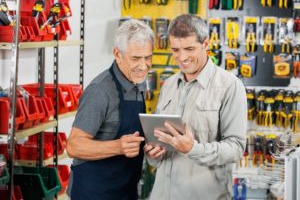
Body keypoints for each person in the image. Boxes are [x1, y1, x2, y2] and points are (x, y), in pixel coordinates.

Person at [144, 14, 247, 200]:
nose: (182, 57)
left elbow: (236, 148)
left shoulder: (229, 86)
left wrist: (192, 148)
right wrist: (152, 152)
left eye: (189, 49)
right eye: (175, 50)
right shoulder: (168, 85)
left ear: (206, 44)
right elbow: (158, 146)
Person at [66, 19, 154, 200]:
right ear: (117, 54)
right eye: (136, 58)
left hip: (124, 191)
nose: (143, 66)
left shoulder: (137, 82)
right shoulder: (100, 91)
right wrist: (118, 146)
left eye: (148, 57)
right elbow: (74, 146)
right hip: (93, 193)